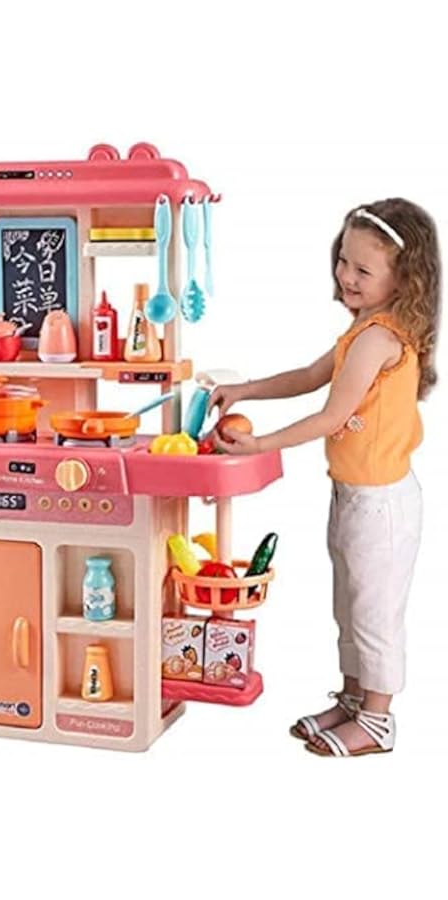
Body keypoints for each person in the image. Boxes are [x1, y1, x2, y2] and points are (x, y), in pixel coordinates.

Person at [209, 199, 441, 757]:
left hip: (381, 504)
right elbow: (312, 375)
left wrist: (261, 443)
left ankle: (378, 721)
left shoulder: (380, 339)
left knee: (375, 613)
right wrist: (246, 390)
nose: (347, 276)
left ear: (403, 279)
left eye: (363, 270)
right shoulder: (363, 329)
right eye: (344, 261)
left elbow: (332, 417)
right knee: (350, 608)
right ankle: (355, 699)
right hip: (355, 495)